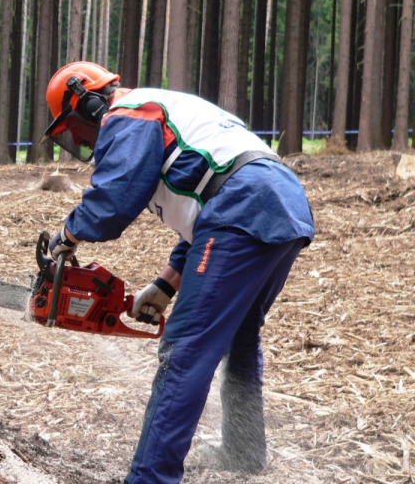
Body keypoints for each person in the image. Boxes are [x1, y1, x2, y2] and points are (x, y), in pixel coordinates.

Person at [43, 62, 314, 484]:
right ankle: (244, 450)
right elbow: (210, 200)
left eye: (76, 129)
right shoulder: (159, 110)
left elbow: (113, 202)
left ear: (91, 103)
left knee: (185, 348)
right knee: (239, 332)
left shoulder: (129, 112)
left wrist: (68, 233)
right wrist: (166, 285)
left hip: (242, 207)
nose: (80, 140)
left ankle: (151, 477)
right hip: (279, 204)